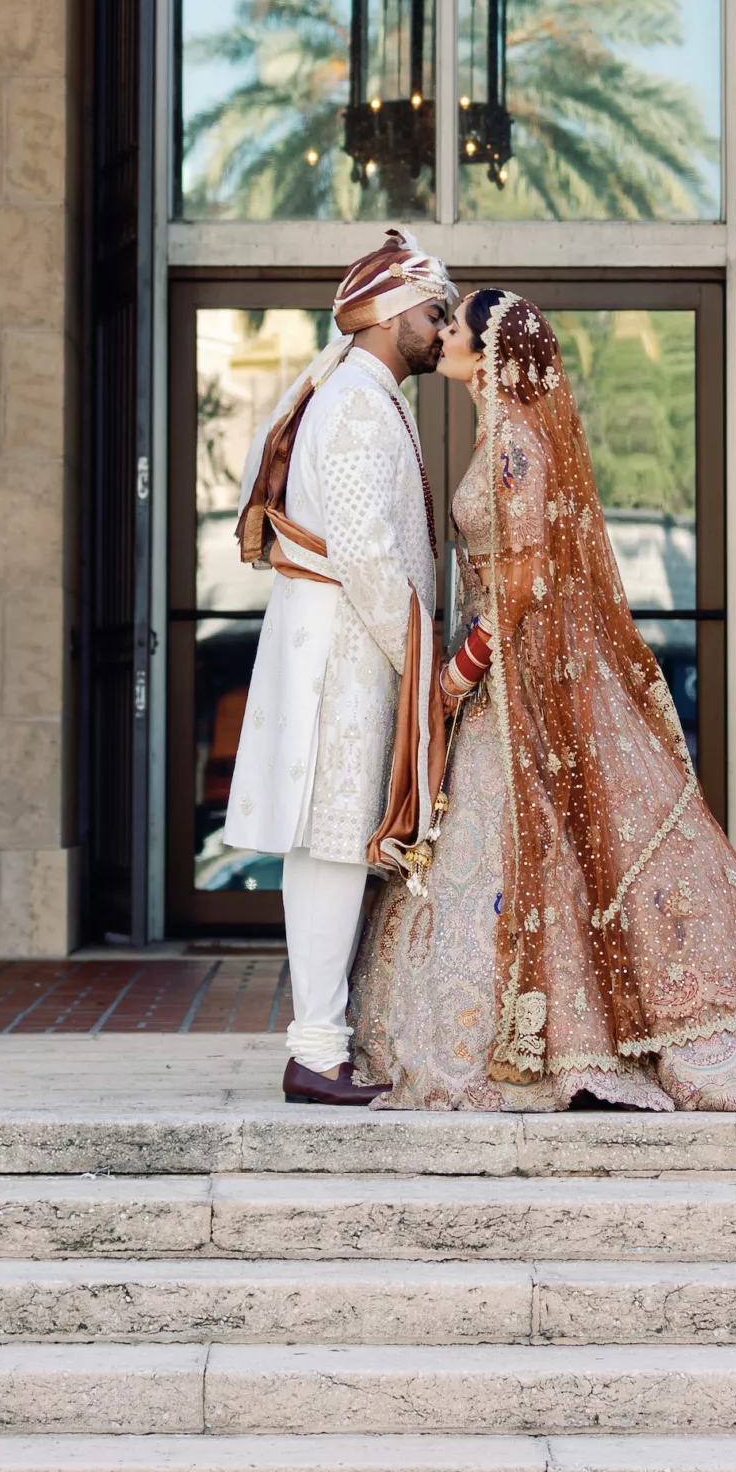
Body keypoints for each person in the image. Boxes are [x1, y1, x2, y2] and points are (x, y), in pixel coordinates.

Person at [352, 290, 736, 1111]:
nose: (443, 332)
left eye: (456, 325)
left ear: (488, 352)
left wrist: (459, 671)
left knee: (544, 849)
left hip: (510, 677)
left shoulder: (516, 445)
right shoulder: (503, 436)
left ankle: (570, 1039)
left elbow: (521, 584)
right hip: (505, 684)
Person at [228, 228, 453, 1105]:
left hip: (350, 647)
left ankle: (326, 1044)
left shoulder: (364, 392)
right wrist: (427, 666)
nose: (440, 330)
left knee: (339, 846)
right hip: (343, 656)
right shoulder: (358, 403)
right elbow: (365, 554)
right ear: (394, 314)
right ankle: (316, 1053)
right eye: (433, 315)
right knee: (328, 848)